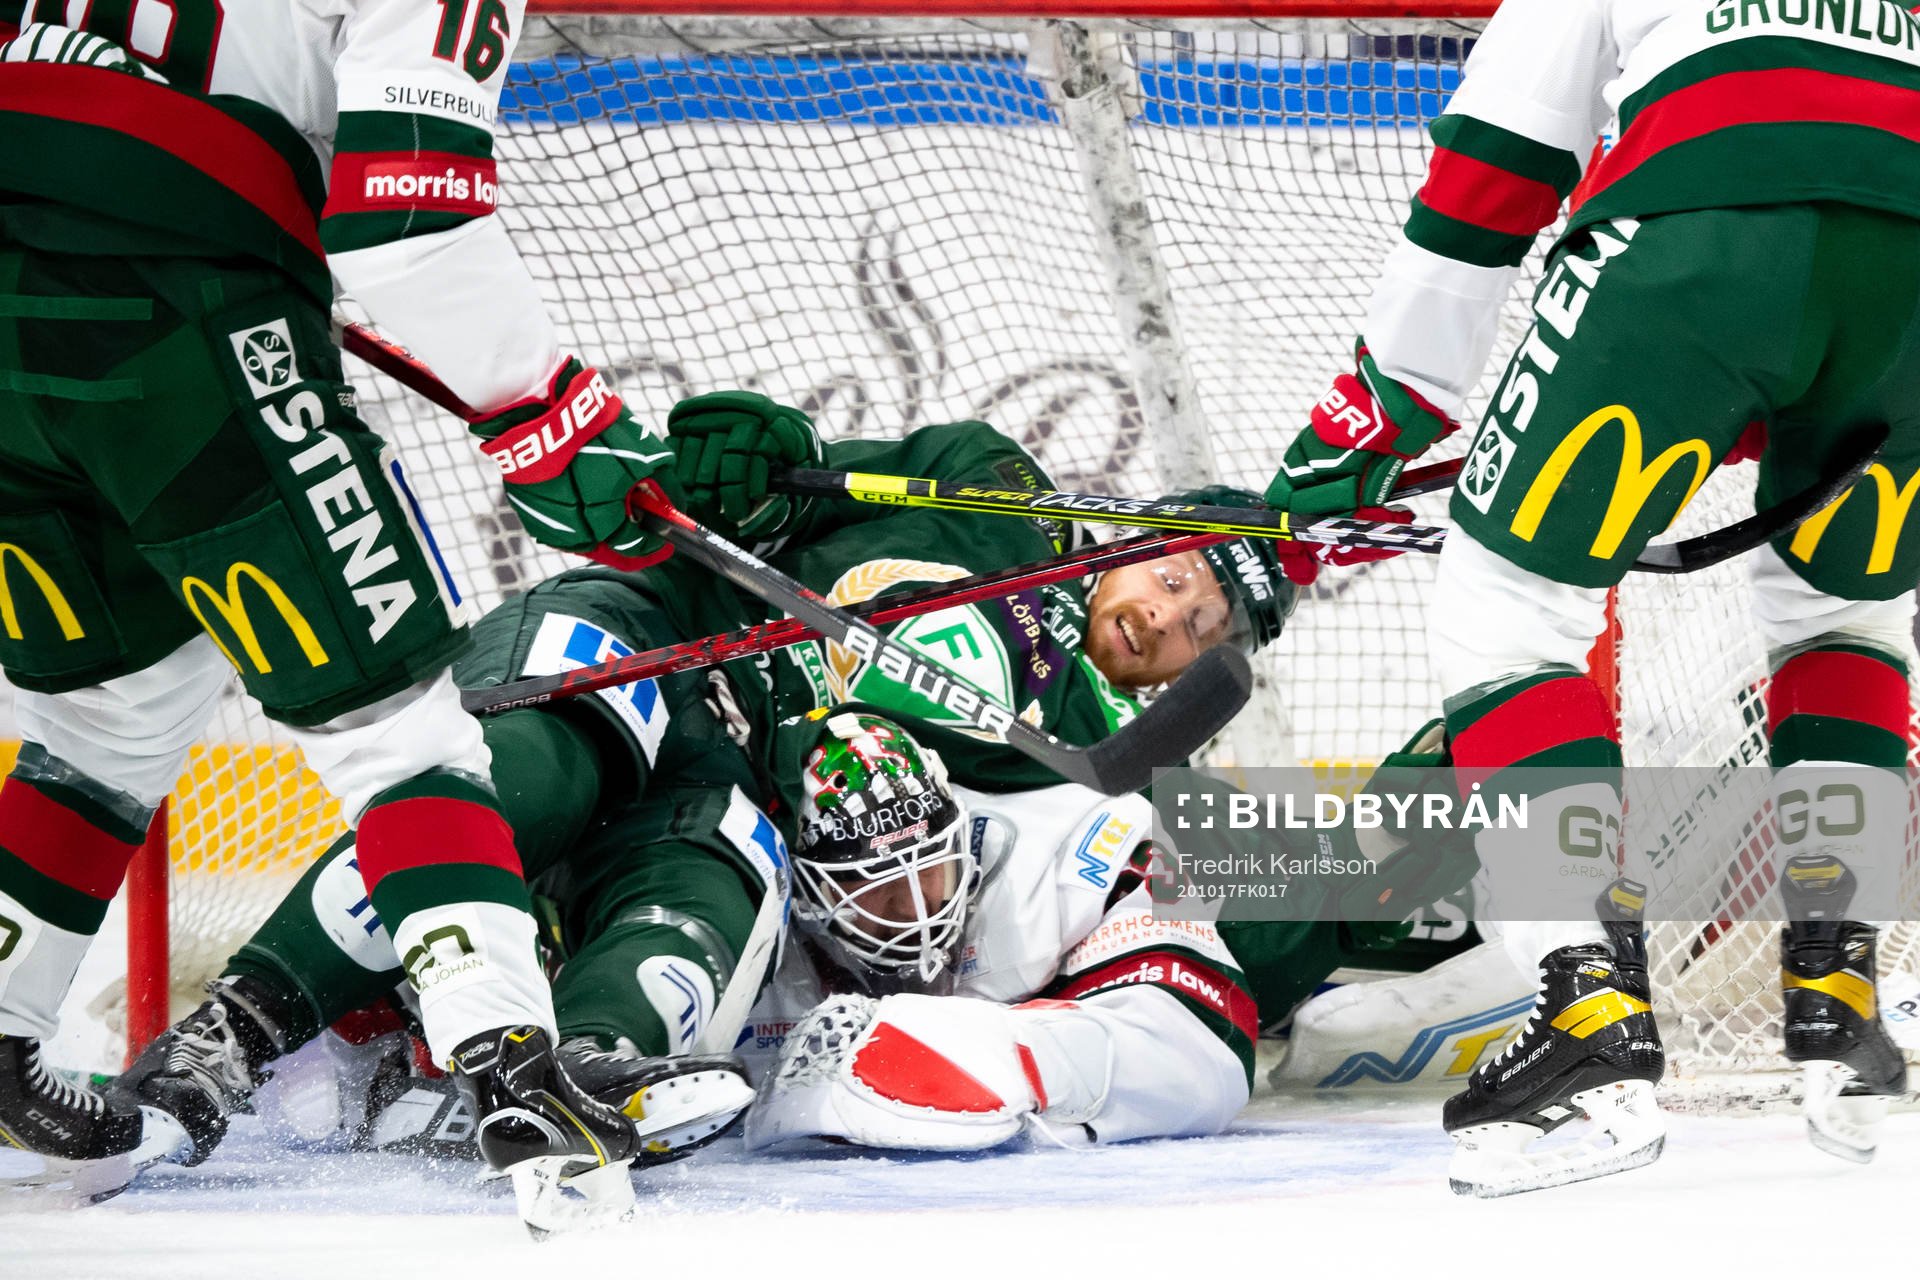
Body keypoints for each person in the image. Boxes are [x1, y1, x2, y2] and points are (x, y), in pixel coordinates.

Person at [116, 394, 1466, 1164]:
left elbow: (1312, 884)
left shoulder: (1114, 778)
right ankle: (233, 1032)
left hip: (731, 789)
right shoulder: (988, 486)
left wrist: (1521, 830)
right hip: (661, 634)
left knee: (711, 878)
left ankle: (544, 1069)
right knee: (536, 754)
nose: (1166, 619)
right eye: (1171, 577)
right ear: (1134, 534)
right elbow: (792, 484)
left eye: (1201, 629)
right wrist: (755, 456)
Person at [0, 2, 688, 1209]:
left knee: (110, 711)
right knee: (398, 727)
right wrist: (549, 414)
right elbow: (406, 220)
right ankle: (515, 1066)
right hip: (184, 298)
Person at [1264, 0, 1919, 1194]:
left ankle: (1585, 1008)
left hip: (1699, 231)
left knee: (1508, 604)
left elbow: (1498, 162)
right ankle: (1839, 992)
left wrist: (1379, 410)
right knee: (1844, 615)